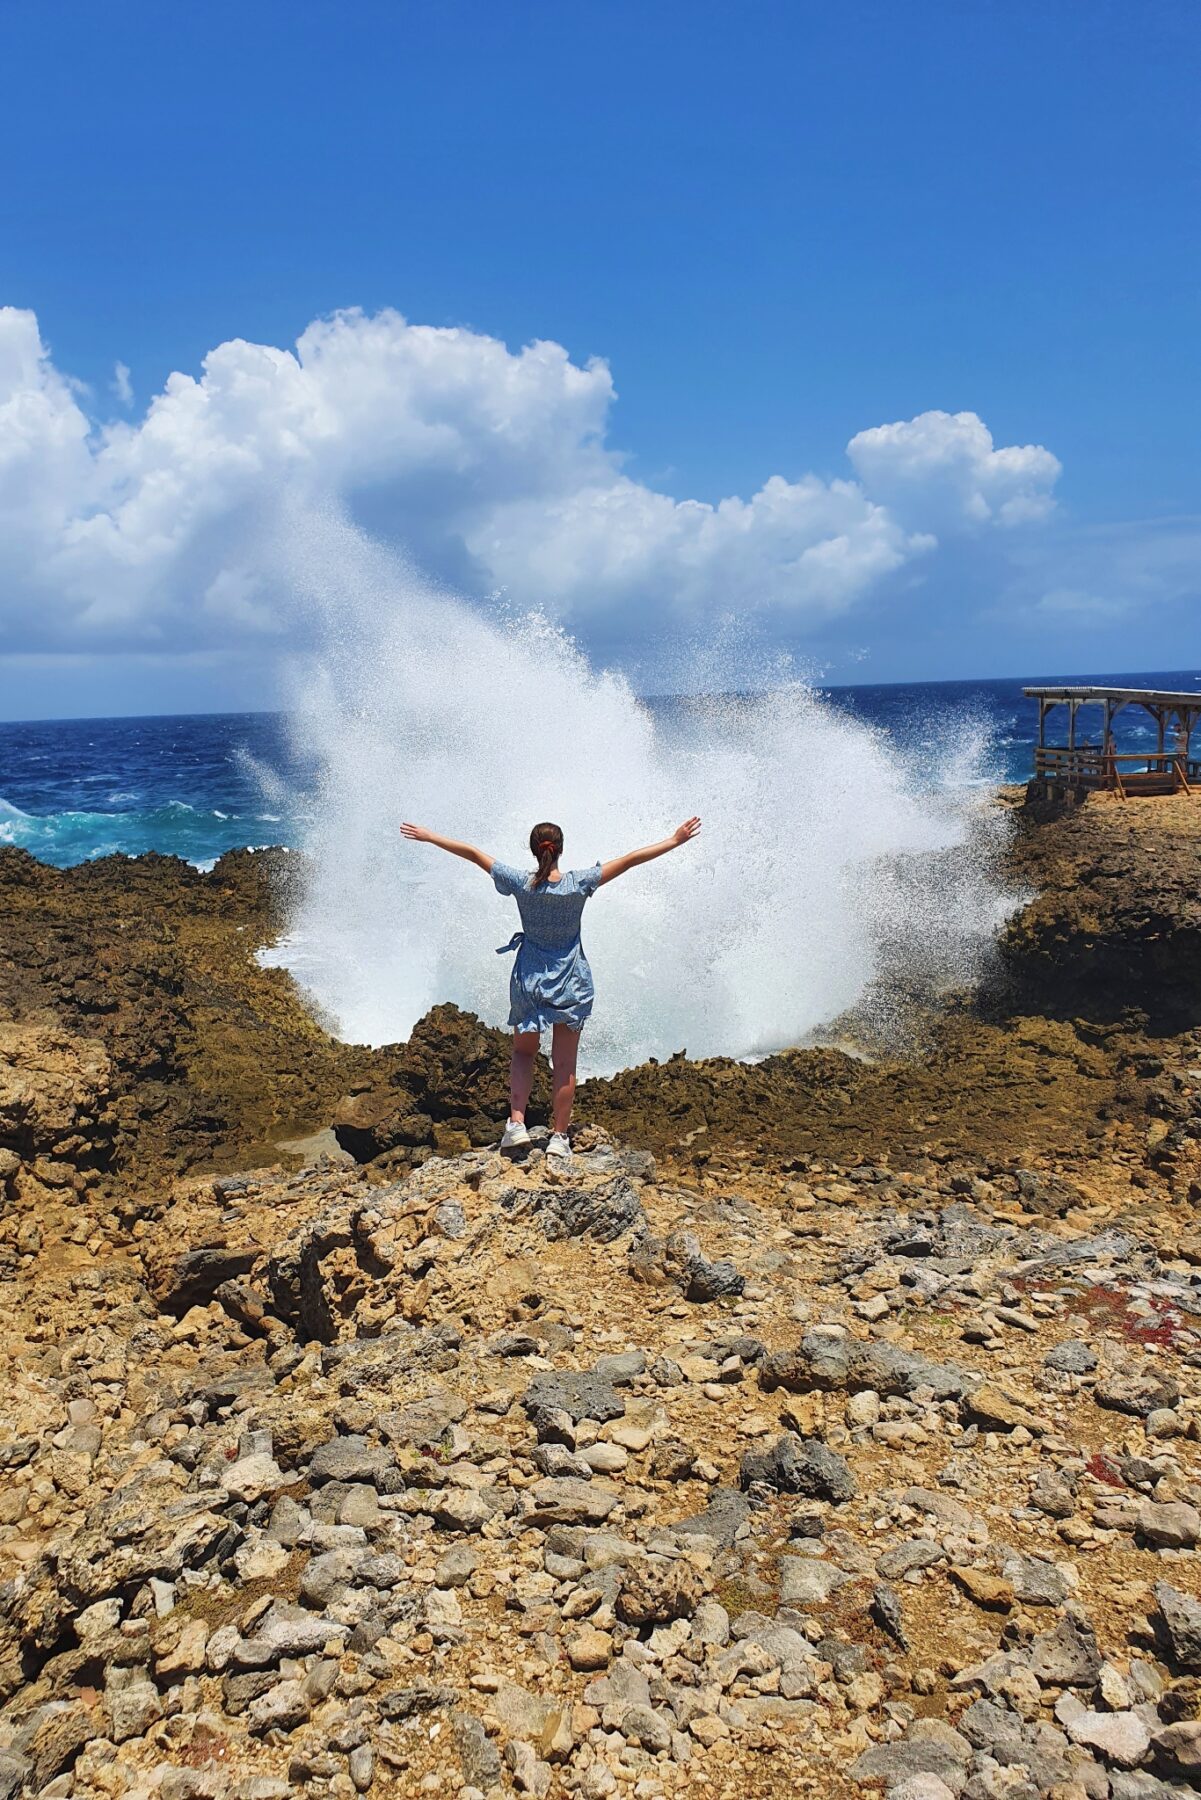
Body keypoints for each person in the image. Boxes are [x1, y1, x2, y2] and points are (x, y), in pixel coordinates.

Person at [399, 816, 701, 1167]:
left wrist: (431, 835)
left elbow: (473, 854)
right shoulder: (578, 884)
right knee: (565, 1064)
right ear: (560, 850)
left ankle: (516, 1124)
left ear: (534, 849)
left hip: (529, 982)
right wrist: (674, 840)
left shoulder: (521, 884)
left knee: (524, 1054)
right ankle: (559, 1137)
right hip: (572, 982)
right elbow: (631, 859)